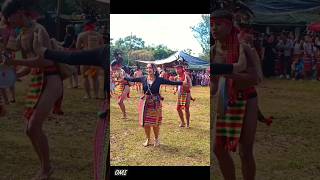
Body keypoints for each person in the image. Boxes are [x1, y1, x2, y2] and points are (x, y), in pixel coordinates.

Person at [2, 0, 63, 178]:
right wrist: (12, 75)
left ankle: (46, 168)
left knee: (34, 126)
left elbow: (45, 61)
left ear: (20, 12)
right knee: (30, 130)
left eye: (8, 17)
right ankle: (46, 167)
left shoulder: (39, 30)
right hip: (38, 80)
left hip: (51, 79)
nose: (7, 21)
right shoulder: (21, 33)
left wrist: (16, 62)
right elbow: (30, 66)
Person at [211, 10, 260, 180]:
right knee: (218, 149)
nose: (214, 28)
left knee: (245, 151)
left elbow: (256, 78)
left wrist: (229, 73)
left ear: (229, 25)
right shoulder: (213, 51)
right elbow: (215, 84)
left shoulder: (243, 48)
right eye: (211, 25)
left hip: (247, 97)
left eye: (218, 24)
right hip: (225, 100)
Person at [124, 63, 188, 147]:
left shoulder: (159, 79)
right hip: (145, 103)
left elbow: (170, 82)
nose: (148, 69)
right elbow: (132, 79)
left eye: (150, 67)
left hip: (155, 103)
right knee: (146, 123)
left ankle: (156, 139)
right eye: (147, 68)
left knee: (155, 123)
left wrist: (182, 83)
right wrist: (124, 77)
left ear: (154, 69)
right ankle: (148, 139)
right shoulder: (143, 78)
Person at [76, 16, 104, 99]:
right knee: (95, 78)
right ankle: (96, 95)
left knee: (85, 77)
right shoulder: (98, 35)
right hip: (95, 58)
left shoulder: (81, 35)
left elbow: (77, 47)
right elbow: (102, 47)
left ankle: (88, 95)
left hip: (85, 58)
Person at [174, 63, 192, 128]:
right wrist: (175, 90)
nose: (177, 70)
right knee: (178, 108)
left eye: (178, 69)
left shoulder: (186, 76)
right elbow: (176, 86)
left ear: (182, 69)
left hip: (187, 94)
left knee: (186, 108)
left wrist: (186, 86)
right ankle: (183, 122)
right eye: (176, 69)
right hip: (179, 94)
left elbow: (190, 85)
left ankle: (188, 123)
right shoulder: (176, 77)